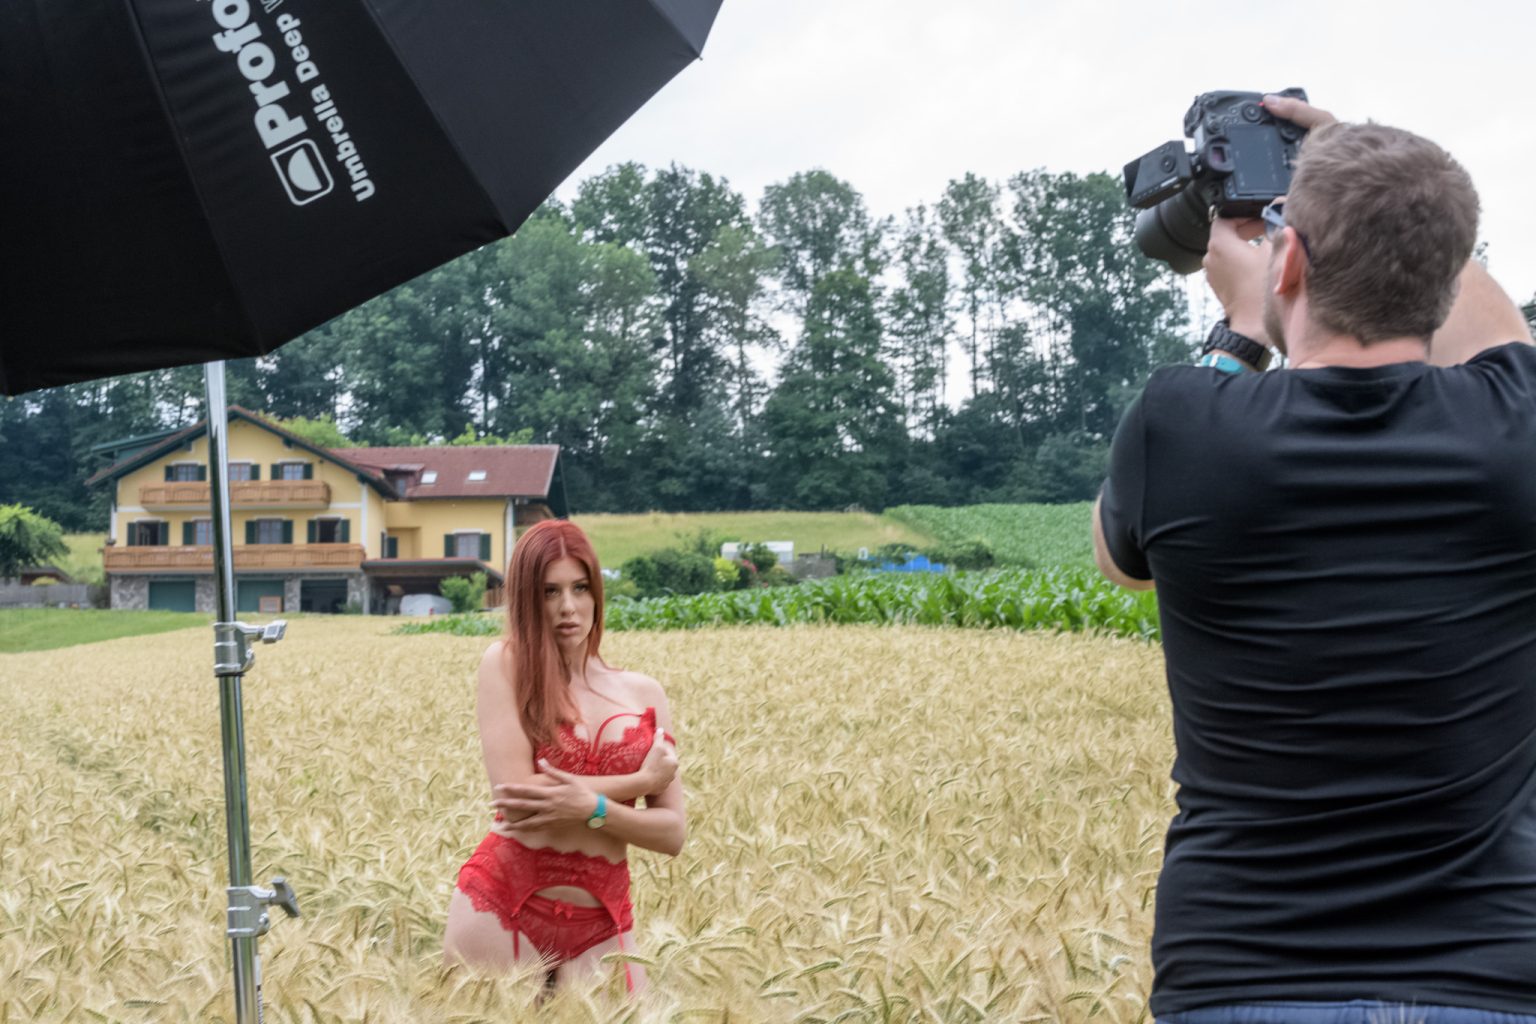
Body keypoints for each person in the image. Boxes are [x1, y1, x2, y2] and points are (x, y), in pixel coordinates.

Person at [1094, 94, 1536, 1024]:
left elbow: (1120, 560)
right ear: (1448, 267)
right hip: (1493, 980)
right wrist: (1357, 162)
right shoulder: (1516, 429)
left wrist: (1241, 327)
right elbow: (1502, 338)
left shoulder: (1182, 423)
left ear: (1286, 259)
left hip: (1239, 975)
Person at [442, 519, 685, 994]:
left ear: (597, 593)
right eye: (549, 592)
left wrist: (592, 808)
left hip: (604, 921)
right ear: (527, 600)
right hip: (503, 907)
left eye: (580, 588)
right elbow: (517, 798)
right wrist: (637, 784)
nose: (568, 607)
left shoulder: (645, 693)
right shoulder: (505, 664)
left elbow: (672, 834)